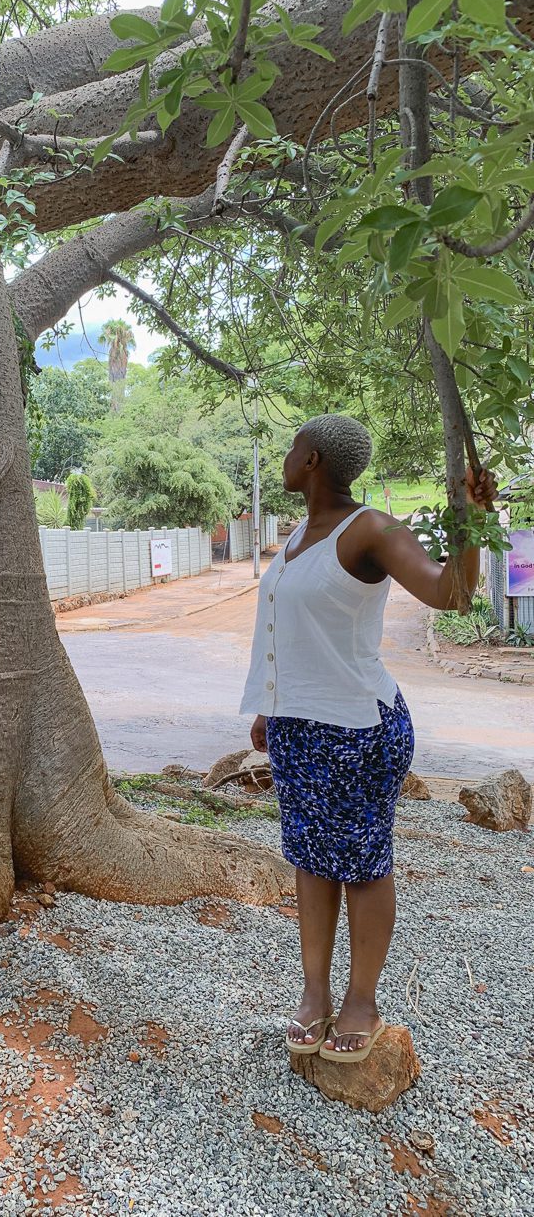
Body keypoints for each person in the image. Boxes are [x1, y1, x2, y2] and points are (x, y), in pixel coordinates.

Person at [239, 414, 497, 1063]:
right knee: (308, 858)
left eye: (294, 445)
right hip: (298, 728)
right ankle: (313, 992)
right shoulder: (298, 533)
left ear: (313, 460)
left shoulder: (372, 530)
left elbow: (452, 593)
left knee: (361, 867)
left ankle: (361, 999)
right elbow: (287, 632)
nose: (286, 453)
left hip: (359, 728)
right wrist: (271, 709)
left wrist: (466, 520)